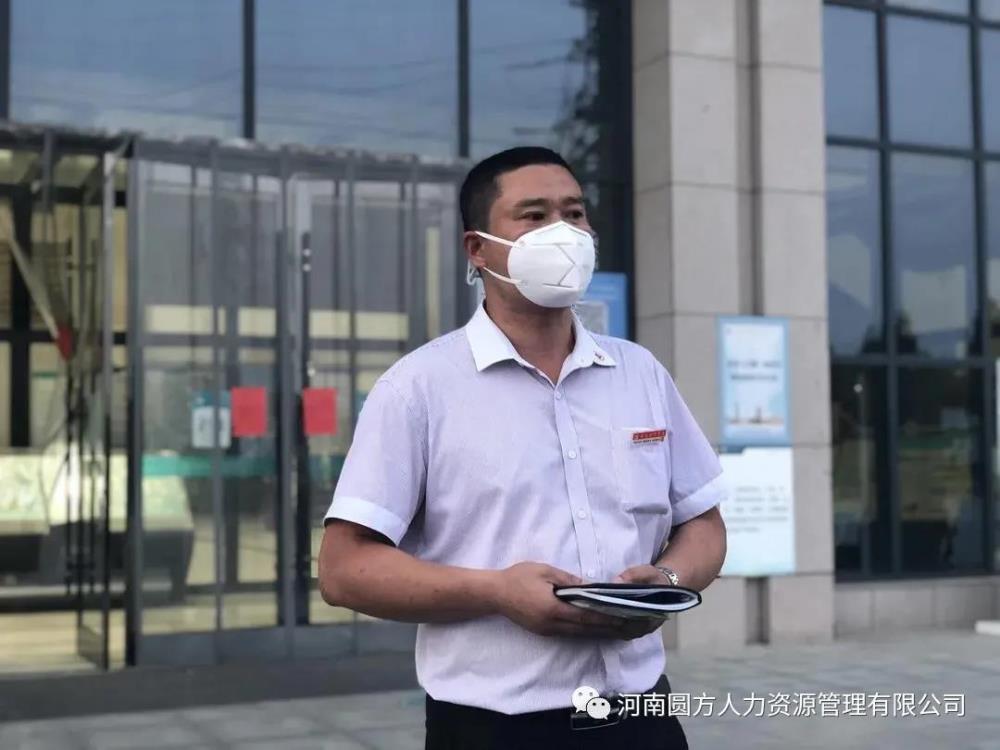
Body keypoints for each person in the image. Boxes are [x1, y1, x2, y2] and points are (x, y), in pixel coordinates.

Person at [319, 146, 727, 749]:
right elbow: (343, 570)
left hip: (642, 716)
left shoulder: (640, 373)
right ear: (477, 249)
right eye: (534, 216)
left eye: (574, 213)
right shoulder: (419, 388)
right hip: (494, 728)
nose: (563, 232)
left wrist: (666, 580)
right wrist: (495, 591)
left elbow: (704, 524)